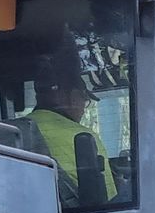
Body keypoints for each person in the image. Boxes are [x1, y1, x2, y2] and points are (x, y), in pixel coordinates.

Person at [27, 50, 115, 203]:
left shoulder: (11, 133)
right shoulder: (81, 136)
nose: (83, 108)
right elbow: (110, 200)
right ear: (72, 97)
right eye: (84, 100)